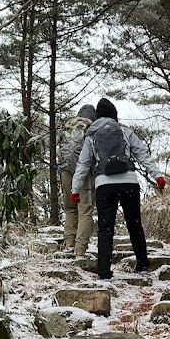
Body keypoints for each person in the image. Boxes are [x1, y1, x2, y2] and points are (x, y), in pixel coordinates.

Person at [71, 97, 165, 279]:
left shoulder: (91, 135)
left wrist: (75, 189)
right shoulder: (124, 131)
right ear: (115, 115)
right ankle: (143, 265)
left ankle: (104, 272)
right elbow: (142, 154)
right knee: (135, 224)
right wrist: (157, 175)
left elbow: (83, 164)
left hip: (104, 185)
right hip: (128, 182)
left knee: (105, 228)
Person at [58, 104, 97, 256]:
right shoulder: (93, 126)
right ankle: (80, 249)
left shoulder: (68, 124)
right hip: (85, 172)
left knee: (69, 208)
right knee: (85, 210)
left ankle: (69, 242)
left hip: (66, 170)